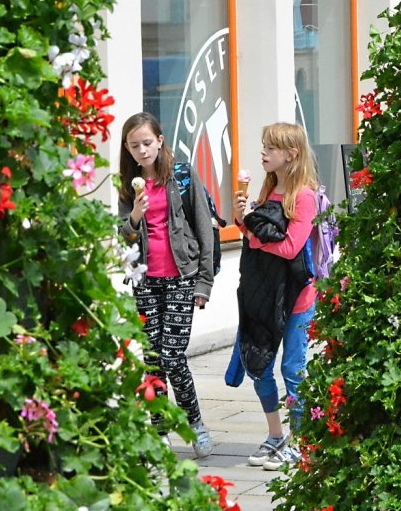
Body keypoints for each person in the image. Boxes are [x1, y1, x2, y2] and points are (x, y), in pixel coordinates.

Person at [117, 112, 215, 458]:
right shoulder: (128, 185)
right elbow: (124, 237)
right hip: (145, 281)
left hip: (181, 278)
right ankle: (159, 432)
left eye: (147, 142)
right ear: (127, 150)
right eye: (134, 146)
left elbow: (204, 227)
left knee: (173, 356)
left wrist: (204, 282)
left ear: (160, 140)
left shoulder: (183, 176)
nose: (142, 150)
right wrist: (135, 216)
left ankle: (195, 425)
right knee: (152, 359)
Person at [232, 122, 319, 471]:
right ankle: (275, 435)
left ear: (292, 154)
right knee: (260, 366)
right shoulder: (269, 189)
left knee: (293, 368)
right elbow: (254, 235)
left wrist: (252, 231)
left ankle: (301, 441)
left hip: (297, 299)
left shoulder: (305, 196)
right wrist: (242, 218)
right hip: (265, 294)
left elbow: (290, 247)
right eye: (264, 145)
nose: (263, 152)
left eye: (271, 147)